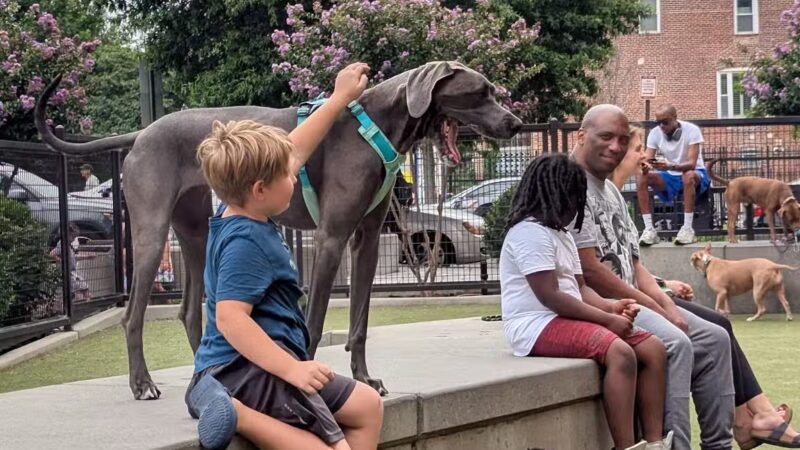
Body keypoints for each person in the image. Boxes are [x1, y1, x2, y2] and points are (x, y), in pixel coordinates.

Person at [184, 62, 384, 450]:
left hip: (254, 365)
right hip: (241, 371)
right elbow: (230, 318)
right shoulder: (246, 241)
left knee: (368, 406)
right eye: (288, 175)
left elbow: (295, 149)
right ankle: (236, 413)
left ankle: (223, 401)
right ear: (260, 188)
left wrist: (340, 96)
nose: (296, 174)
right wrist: (292, 368)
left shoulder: (240, 204)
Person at [614, 125, 799, 450]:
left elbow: (630, 266)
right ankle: (747, 423)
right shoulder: (601, 195)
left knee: (721, 324)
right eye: (638, 148)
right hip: (620, 301)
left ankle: (751, 419)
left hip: (639, 284)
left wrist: (662, 284)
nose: (644, 155)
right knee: (702, 335)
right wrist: (662, 300)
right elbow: (600, 272)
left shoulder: (614, 196)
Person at [570, 104, 734, 450]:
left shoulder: (611, 192)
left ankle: (719, 445)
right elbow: (590, 270)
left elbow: (635, 266)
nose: (616, 146)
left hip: (632, 297)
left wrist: (665, 305)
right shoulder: (571, 185)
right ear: (581, 136)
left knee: (715, 339)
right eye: (605, 137)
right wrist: (656, 309)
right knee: (675, 342)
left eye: (622, 139)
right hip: (605, 303)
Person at [500, 153, 672, 450]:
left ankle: (654, 442)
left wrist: (610, 306)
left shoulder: (561, 234)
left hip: (564, 317)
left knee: (653, 349)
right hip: (535, 324)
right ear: (554, 195)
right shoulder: (529, 233)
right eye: (572, 198)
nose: (576, 207)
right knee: (620, 353)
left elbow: (580, 289)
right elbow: (551, 296)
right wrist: (606, 320)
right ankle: (626, 446)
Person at [636, 105, 711, 246]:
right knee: (641, 177)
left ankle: (687, 229)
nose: (662, 126)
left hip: (695, 173)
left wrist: (669, 166)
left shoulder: (692, 130)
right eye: (658, 123)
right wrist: (645, 165)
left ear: (675, 118)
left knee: (688, 175)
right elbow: (647, 158)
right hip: (670, 175)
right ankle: (649, 230)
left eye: (665, 122)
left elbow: (692, 164)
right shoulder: (655, 133)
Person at [49, 222, 91, 302]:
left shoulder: (68, 245)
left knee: (80, 289)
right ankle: (86, 303)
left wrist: (86, 257)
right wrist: (61, 261)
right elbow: (51, 254)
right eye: (73, 237)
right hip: (69, 273)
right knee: (83, 288)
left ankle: (84, 301)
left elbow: (73, 257)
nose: (74, 239)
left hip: (72, 272)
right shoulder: (62, 244)